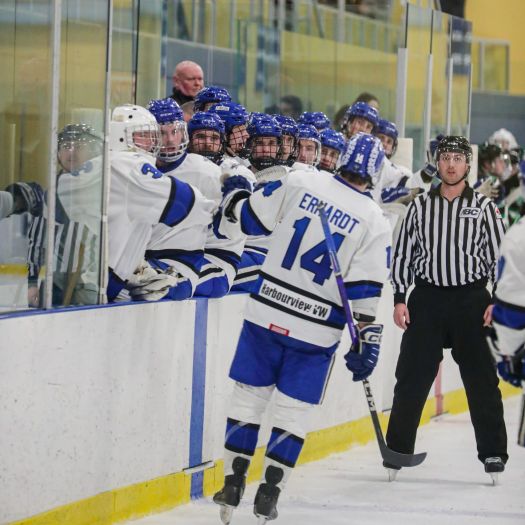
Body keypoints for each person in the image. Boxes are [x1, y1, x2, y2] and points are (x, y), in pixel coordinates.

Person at [213, 132, 391, 522]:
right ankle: (269, 493)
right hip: (316, 331)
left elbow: (249, 219)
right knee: (293, 413)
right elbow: (363, 296)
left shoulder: (301, 180)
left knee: (248, 399)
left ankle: (233, 481)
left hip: (265, 313)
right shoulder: (374, 220)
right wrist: (367, 342)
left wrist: (237, 190)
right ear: (376, 173)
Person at [387, 136, 508, 481]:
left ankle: (493, 453)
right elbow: (403, 254)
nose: (451, 165)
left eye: (458, 158)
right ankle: (397, 451)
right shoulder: (419, 206)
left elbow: (499, 257)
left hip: (472, 301)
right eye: (445, 158)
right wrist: (399, 297)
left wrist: (497, 301)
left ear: (468, 164)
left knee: (482, 380)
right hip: (426, 300)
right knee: (410, 378)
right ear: (436, 163)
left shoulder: (484, 207)